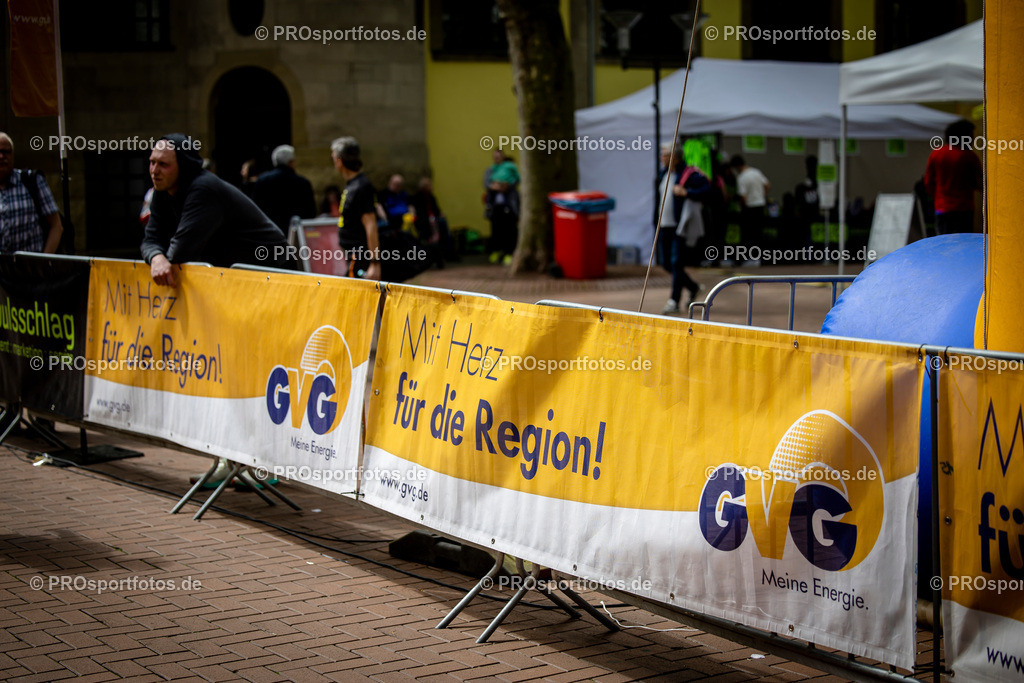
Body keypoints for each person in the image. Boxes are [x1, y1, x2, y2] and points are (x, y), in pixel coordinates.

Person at [141, 133, 292, 286]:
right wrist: (156, 257)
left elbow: (181, 251)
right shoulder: (162, 189)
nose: (154, 171)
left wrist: (161, 257)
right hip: (232, 268)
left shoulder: (203, 188)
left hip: (267, 269)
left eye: (163, 164)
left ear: (183, 165)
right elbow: (150, 240)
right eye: (152, 162)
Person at [0, 132, 63, 254]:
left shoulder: (32, 181)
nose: (2, 156)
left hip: (30, 268)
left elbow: (56, 226)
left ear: (13, 155)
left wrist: (43, 262)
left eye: (6, 152)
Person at [662, 162, 710, 314]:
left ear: (674, 156)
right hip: (663, 225)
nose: (661, 156)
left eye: (664, 153)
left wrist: (686, 192)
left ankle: (674, 301)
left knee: (676, 263)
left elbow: (706, 188)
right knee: (666, 264)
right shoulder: (663, 173)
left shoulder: (687, 173)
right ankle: (693, 287)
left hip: (679, 226)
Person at [331, 136, 381, 280]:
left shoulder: (362, 186)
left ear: (340, 161)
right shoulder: (352, 185)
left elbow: (370, 224)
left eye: (334, 159)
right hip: (353, 256)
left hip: (361, 257)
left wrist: (375, 263)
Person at [924, 119, 982, 235]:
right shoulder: (969, 156)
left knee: (944, 244)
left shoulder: (937, 153)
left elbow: (928, 182)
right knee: (963, 245)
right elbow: (979, 183)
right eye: (971, 136)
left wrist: (938, 198)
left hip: (942, 208)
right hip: (964, 209)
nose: (973, 139)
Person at [251, 144, 317, 232]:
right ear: (291, 162)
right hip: (295, 232)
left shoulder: (263, 180)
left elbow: (255, 208)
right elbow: (311, 212)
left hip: (270, 231)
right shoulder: (302, 182)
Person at [730, 155, 770, 267]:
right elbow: (767, 184)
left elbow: (743, 196)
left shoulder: (741, 178)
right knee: (758, 233)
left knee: (748, 234)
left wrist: (743, 205)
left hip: (749, 207)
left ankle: (750, 257)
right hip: (760, 205)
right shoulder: (756, 172)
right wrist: (762, 195)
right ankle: (758, 257)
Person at [483, 149, 520, 265]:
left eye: (499, 156)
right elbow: (486, 184)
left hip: (509, 205)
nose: (497, 158)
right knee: (496, 229)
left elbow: (517, 179)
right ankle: (496, 252)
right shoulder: (491, 170)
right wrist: (495, 187)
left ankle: (508, 253)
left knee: (509, 230)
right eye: (495, 156)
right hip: (495, 206)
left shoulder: (509, 167)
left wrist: (505, 186)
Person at [412, 177, 450, 269]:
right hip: (425, 222)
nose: (431, 187)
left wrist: (440, 215)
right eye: (429, 185)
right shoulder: (417, 198)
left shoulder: (431, 197)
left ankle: (447, 253)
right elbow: (419, 214)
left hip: (434, 220)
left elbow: (437, 210)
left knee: (442, 224)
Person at [793, 155, 820, 253]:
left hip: (810, 213)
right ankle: (808, 253)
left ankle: (809, 253)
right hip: (808, 213)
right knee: (807, 235)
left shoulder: (815, 181)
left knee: (809, 235)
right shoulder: (808, 182)